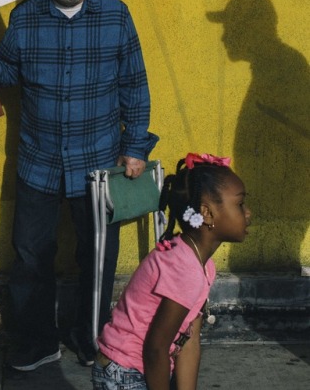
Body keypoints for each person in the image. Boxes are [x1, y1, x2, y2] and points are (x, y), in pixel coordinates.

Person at [0, 0, 157, 371]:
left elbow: (134, 86)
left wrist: (135, 147)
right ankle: (35, 343)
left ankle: (90, 338)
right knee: (30, 257)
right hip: (39, 163)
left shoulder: (116, 14)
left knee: (97, 258)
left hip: (98, 164)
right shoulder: (25, 16)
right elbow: (6, 71)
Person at [93, 153, 251, 390]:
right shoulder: (184, 268)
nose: (248, 213)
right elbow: (156, 349)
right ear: (207, 213)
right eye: (240, 204)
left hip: (139, 368)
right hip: (124, 372)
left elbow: (189, 341)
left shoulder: (201, 263)